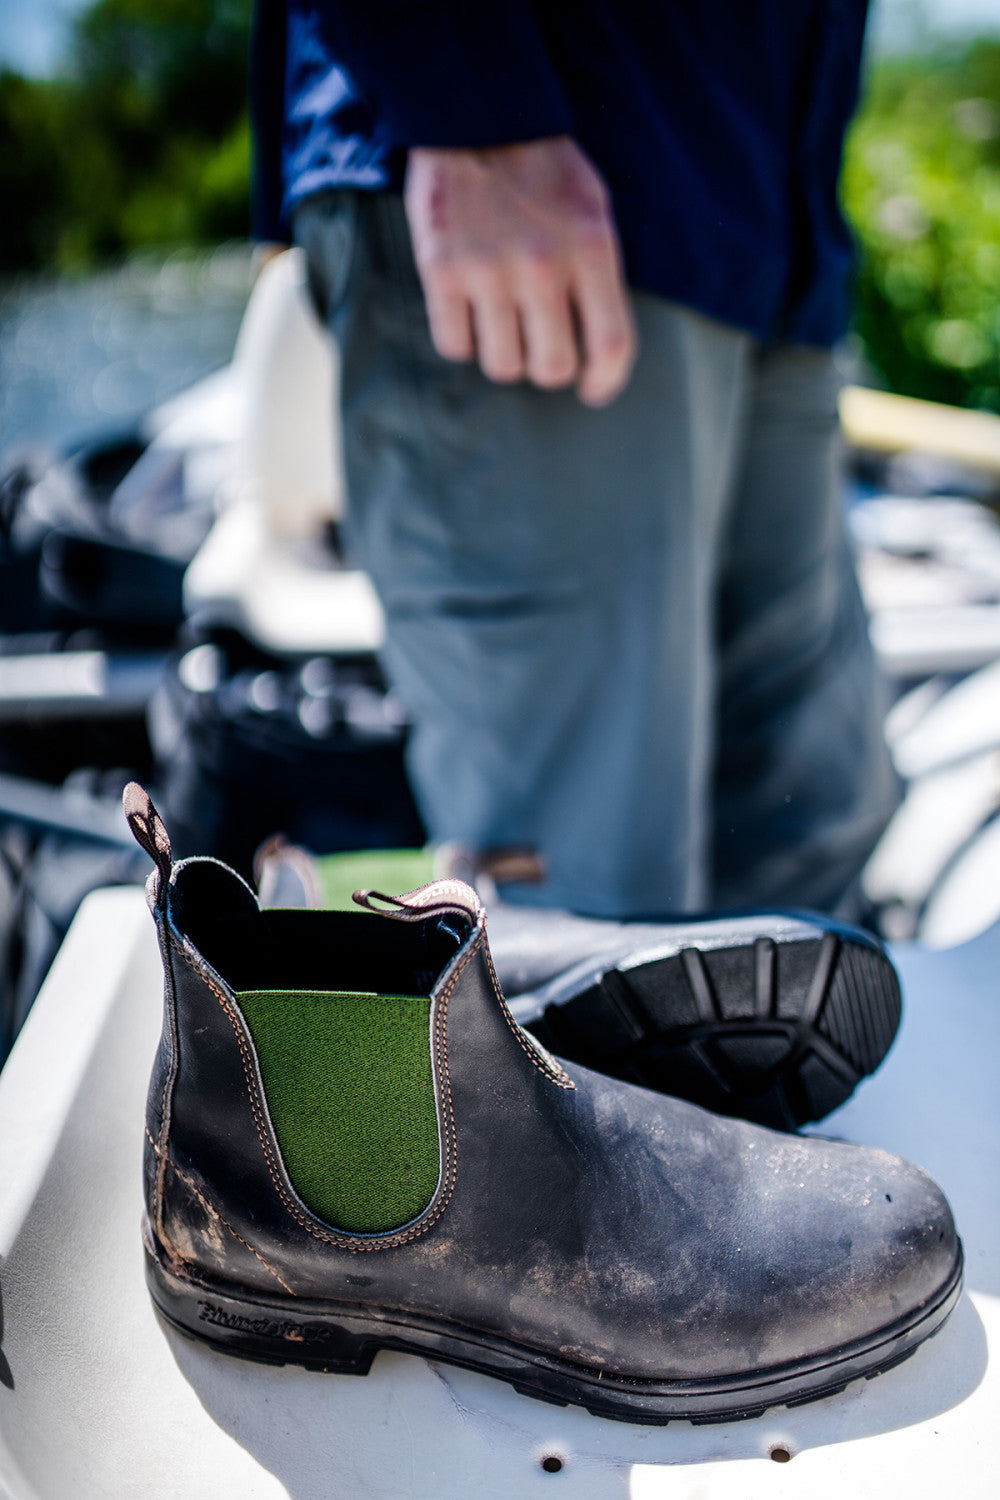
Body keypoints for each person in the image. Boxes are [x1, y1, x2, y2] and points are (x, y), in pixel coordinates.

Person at [249, 0, 900, 921]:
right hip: (528, 170)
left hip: (765, 225)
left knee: (809, 855)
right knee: (591, 911)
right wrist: (472, 108)